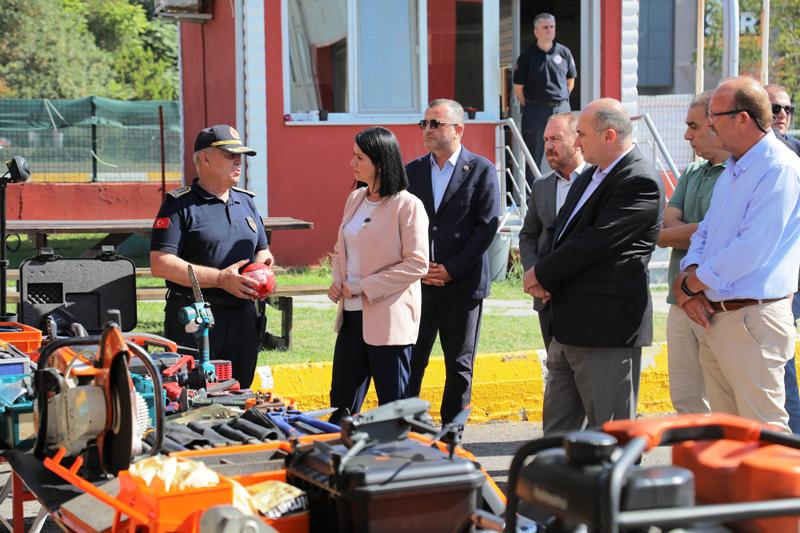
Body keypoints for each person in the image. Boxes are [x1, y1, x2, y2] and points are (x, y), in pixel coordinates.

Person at [525, 98, 663, 434]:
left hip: (604, 331)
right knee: (557, 435)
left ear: (609, 135)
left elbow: (594, 244)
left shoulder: (638, 180)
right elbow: (560, 234)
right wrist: (543, 278)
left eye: (582, 134)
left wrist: (541, 274)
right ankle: (555, 487)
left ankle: (612, 489)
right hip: (565, 325)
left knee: (609, 435)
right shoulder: (591, 177)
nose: (576, 141)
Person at [673, 77, 800, 433]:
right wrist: (691, 280)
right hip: (719, 316)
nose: (709, 124)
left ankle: (778, 493)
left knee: (765, 436)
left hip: (752, 318)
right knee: (730, 438)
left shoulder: (779, 168)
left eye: (715, 115)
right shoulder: (733, 169)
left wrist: (692, 283)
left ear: (743, 119)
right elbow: (706, 233)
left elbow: (751, 249)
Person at [150, 124, 273, 389]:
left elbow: (262, 249)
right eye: (230, 155)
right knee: (191, 394)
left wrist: (263, 268)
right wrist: (220, 279)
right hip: (195, 317)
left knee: (241, 390)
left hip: (242, 317)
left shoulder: (246, 201)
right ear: (205, 158)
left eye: (240, 155)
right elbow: (160, 263)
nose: (238, 161)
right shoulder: (179, 204)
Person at [406, 99, 501, 425]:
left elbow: (486, 227)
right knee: (413, 359)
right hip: (420, 283)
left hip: (462, 284)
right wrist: (420, 267)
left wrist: (451, 269)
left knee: (459, 365)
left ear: (458, 129)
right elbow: (404, 222)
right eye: (424, 124)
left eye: (436, 124)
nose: (427, 130)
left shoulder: (481, 169)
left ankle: (451, 434)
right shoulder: (414, 171)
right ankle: (406, 428)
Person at [327, 126, 429, 424]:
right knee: (341, 404)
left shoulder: (407, 205)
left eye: (359, 157)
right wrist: (337, 281)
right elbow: (341, 248)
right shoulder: (355, 199)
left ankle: (394, 466)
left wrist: (363, 286)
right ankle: (340, 463)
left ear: (381, 162)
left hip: (389, 320)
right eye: (353, 156)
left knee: (392, 409)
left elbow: (417, 264)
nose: (352, 163)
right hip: (351, 316)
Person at [657, 91, 728, 415]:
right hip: (680, 303)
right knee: (686, 402)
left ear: (715, 125)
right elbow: (663, 232)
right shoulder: (691, 172)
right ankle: (694, 466)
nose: (687, 135)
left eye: (693, 126)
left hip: (720, 306)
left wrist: (689, 232)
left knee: (725, 402)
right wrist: (699, 230)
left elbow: (722, 235)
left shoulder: (737, 175)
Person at [519, 112, 586, 350]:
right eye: (546, 140)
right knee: (557, 380)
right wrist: (534, 275)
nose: (548, 146)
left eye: (555, 139)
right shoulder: (542, 186)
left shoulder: (596, 182)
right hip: (547, 300)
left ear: (578, 140)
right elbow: (528, 235)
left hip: (584, 300)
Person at [513, 12, 577, 183]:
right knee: (533, 152)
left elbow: (570, 81)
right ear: (536, 32)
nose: (549, 30)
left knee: (568, 149)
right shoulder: (527, 57)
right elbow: (518, 88)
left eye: (552, 27)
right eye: (545, 27)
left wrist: (562, 99)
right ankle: (531, 196)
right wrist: (531, 105)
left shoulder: (564, 53)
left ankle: (568, 186)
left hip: (561, 108)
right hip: (536, 110)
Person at [766, 84, 800, 156]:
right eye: (775, 108)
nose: (783, 115)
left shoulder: (798, 150)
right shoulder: (741, 149)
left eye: (788, 109)